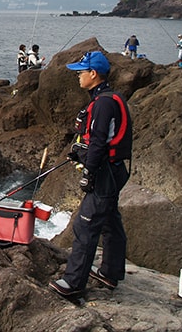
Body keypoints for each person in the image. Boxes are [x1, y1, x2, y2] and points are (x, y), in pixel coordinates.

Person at [49, 51, 133, 297]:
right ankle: (110, 272)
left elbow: (98, 142)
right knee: (110, 221)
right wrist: (80, 154)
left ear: (93, 74)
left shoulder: (103, 103)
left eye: (81, 72)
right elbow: (103, 138)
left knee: (85, 225)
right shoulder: (112, 97)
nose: (78, 76)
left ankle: (73, 284)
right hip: (115, 170)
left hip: (105, 173)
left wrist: (89, 172)